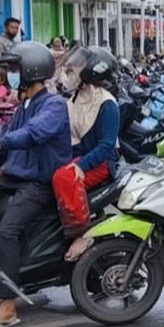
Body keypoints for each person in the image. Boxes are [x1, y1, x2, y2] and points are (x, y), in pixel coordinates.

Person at [0, 41, 71, 327]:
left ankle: (8, 306)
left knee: (8, 231)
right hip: (12, 179)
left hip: (38, 184)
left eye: (15, 68)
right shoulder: (23, 106)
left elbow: (32, 135)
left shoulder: (54, 105)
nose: (11, 74)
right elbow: (5, 147)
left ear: (31, 70)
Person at [52, 47, 121, 260]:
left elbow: (106, 146)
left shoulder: (107, 104)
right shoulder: (75, 98)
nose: (71, 72)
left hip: (101, 162)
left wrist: (81, 167)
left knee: (64, 177)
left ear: (92, 72)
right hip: (80, 156)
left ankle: (82, 232)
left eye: (77, 68)